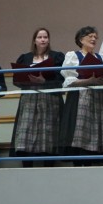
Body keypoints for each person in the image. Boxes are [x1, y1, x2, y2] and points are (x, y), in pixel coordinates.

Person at [59, 26, 103, 166]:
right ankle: (79, 161)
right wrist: (88, 81)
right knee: (80, 131)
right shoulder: (73, 55)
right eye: (90, 36)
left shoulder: (101, 57)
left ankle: (94, 160)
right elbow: (68, 80)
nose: (94, 39)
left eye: (95, 37)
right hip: (80, 98)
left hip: (98, 98)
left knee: (97, 130)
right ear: (81, 39)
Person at [10, 28, 65, 167]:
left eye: (45, 37)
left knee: (49, 132)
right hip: (29, 99)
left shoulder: (56, 57)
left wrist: (44, 81)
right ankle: (26, 167)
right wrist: (27, 80)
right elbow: (16, 80)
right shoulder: (25, 58)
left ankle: (49, 166)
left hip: (50, 99)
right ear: (34, 40)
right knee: (26, 133)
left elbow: (61, 79)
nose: (43, 39)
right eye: (40, 37)